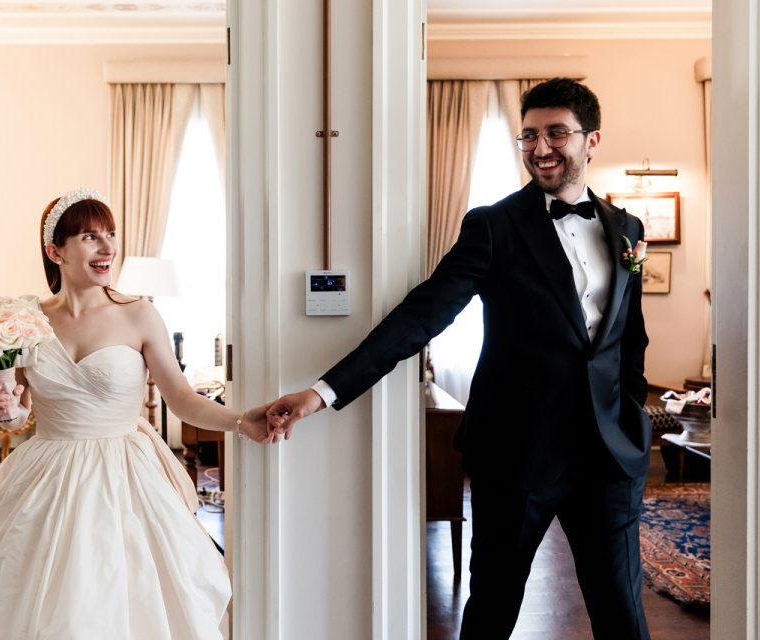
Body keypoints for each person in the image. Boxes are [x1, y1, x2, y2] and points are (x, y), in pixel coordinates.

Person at [267, 78, 652, 639]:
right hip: (517, 456)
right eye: (528, 136)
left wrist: (633, 416)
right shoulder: (494, 226)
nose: (540, 148)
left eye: (555, 134)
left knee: (623, 615)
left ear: (591, 140)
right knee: (493, 608)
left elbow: (630, 339)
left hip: (610, 458)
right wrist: (322, 392)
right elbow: (420, 315)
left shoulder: (627, 229)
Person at [0, 187, 278, 640]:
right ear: (55, 250)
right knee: (31, 588)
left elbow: (180, 398)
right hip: (45, 471)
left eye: (111, 234)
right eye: (90, 237)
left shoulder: (139, 314)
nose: (108, 247)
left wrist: (241, 420)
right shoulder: (24, 321)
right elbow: (19, 416)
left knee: (124, 589)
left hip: (125, 473)